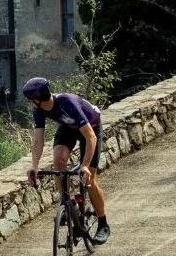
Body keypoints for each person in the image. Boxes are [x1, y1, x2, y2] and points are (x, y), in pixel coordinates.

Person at [23, 76, 111, 245]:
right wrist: (34, 166)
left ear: (36, 100)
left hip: (91, 129)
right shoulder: (39, 110)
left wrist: (84, 166)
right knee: (59, 160)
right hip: (68, 128)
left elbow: (90, 136)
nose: (30, 104)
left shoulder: (67, 102)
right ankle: (66, 202)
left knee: (90, 177)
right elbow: (38, 140)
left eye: (30, 101)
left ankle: (103, 224)